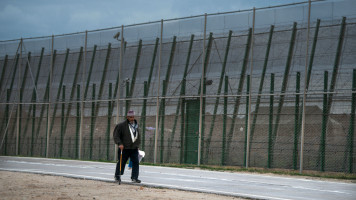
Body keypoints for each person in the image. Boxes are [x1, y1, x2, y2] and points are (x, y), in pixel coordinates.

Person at [113, 110, 141, 183]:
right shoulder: (121, 125)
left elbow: (137, 136)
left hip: (133, 148)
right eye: (130, 117)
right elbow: (116, 136)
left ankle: (134, 177)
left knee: (136, 162)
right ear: (127, 117)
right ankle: (117, 176)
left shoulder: (136, 125)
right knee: (121, 162)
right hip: (124, 148)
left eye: (133, 117)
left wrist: (137, 145)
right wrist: (120, 143)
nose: (132, 118)